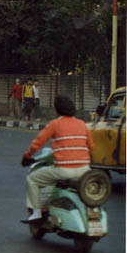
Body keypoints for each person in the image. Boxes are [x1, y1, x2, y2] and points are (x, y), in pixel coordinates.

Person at [21, 95, 93, 223]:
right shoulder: (82, 124)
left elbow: (38, 142)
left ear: (57, 110)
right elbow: (91, 147)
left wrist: (27, 156)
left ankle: (36, 213)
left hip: (64, 170)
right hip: (85, 170)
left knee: (32, 179)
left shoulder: (55, 124)